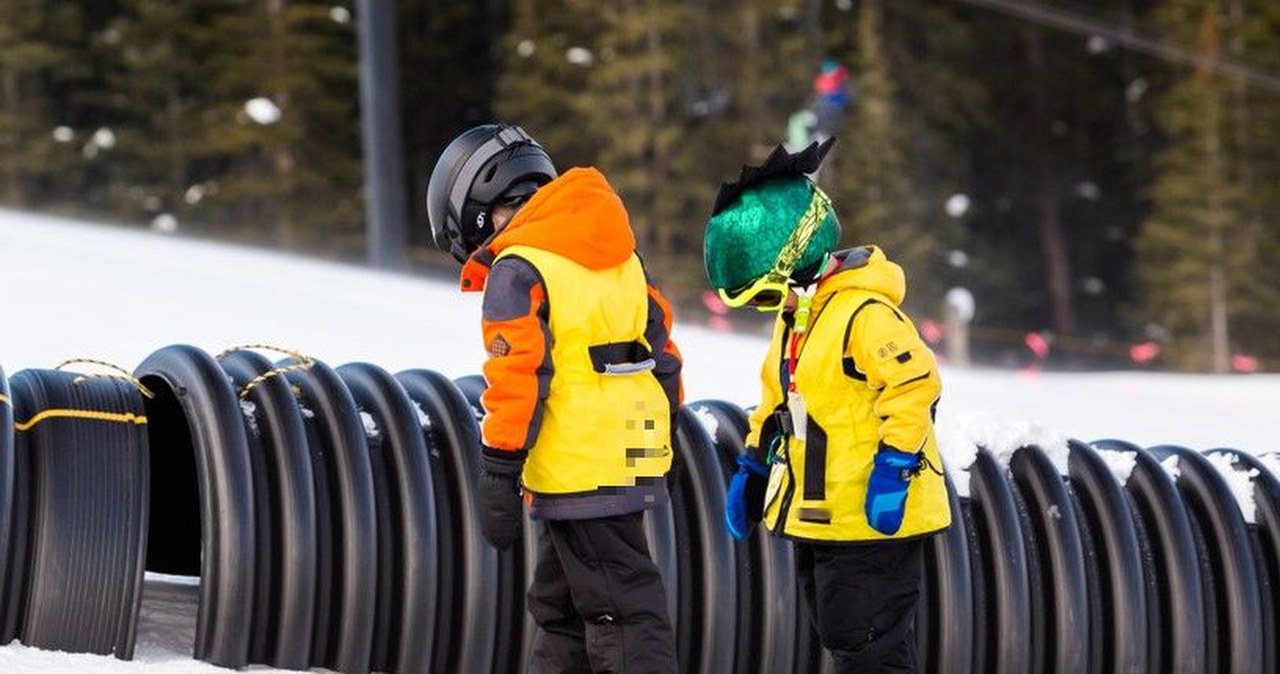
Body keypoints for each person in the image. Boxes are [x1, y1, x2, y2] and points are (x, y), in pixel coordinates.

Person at [426, 123, 682, 674]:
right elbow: (664, 356)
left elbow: (516, 375)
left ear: (478, 206)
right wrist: (666, 446)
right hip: (626, 458)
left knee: (621, 610)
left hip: (577, 466)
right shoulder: (620, 255)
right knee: (560, 605)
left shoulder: (520, 268)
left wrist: (499, 469)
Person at [702, 138, 950, 673]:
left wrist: (895, 467)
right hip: (822, 514)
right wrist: (753, 462)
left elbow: (915, 384)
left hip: (871, 514)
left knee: (868, 643)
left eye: (768, 295)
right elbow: (777, 398)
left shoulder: (864, 315)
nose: (770, 310)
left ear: (798, 261)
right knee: (841, 631)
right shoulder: (798, 321)